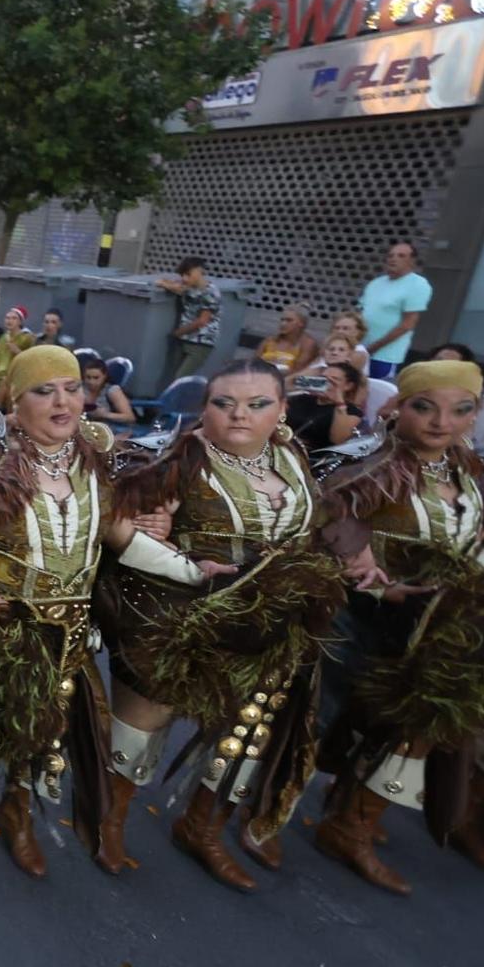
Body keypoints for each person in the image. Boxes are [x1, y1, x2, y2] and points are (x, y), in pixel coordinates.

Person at [0, 346, 163, 876]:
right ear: (16, 404)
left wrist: (188, 566)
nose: (62, 400)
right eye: (44, 391)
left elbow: (117, 533)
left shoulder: (95, 456)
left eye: (70, 388)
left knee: (44, 728)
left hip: (65, 630)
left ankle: (16, 811)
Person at [100, 360, 347, 891]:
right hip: (179, 616)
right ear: (204, 408)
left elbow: (319, 524)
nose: (240, 414)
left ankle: (202, 828)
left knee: (247, 730)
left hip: (269, 624)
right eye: (224, 403)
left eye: (258, 404)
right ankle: (109, 819)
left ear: (282, 411)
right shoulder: (178, 459)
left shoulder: (293, 458)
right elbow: (118, 523)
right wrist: (160, 531)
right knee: (140, 727)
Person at [312, 360, 484, 892]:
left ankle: (352, 818)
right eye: (425, 406)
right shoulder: (374, 466)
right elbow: (326, 533)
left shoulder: (463, 470)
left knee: (409, 730)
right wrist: (377, 583)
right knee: (368, 726)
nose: (440, 422)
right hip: (367, 622)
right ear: (399, 407)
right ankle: (343, 823)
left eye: (460, 409)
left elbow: (459, 539)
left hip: (433, 628)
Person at [356, 241, 431, 380]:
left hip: (384, 355)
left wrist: (373, 347)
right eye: (390, 255)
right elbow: (360, 313)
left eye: (401, 255)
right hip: (359, 349)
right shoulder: (376, 283)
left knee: (374, 393)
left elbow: (408, 324)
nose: (393, 258)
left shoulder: (418, 285)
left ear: (412, 261)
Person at [157, 256, 222, 383]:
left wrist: (178, 332)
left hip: (201, 341)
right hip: (184, 338)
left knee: (180, 378)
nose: (185, 278)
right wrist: (164, 283)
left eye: (188, 274)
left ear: (199, 271)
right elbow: (171, 285)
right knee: (172, 376)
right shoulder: (188, 287)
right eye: (182, 275)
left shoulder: (211, 292)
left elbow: (202, 321)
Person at [284, 363, 363, 450]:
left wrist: (339, 403)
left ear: (348, 386)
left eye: (334, 380)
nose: (326, 383)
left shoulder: (351, 411)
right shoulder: (302, 399)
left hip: (312, 455)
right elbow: (281, 387)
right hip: (284, 445)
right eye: (323, 378)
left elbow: (338, 440)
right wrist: (303, 379)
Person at [257, 306, 321, 373]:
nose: (283, 324)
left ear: (301, 323)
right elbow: (254, 362)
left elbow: (297, 372)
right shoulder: (270, 340)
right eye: (282, 320)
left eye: (289, 320)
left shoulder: (308, 344)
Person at [81, 357, 135, 428]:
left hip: (107, 429)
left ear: (104, 376)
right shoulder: (78, 388)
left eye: (96, 378)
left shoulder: (112, 390)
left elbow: (130, 417)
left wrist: (105, 414)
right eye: (88, 377)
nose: (91, 382)